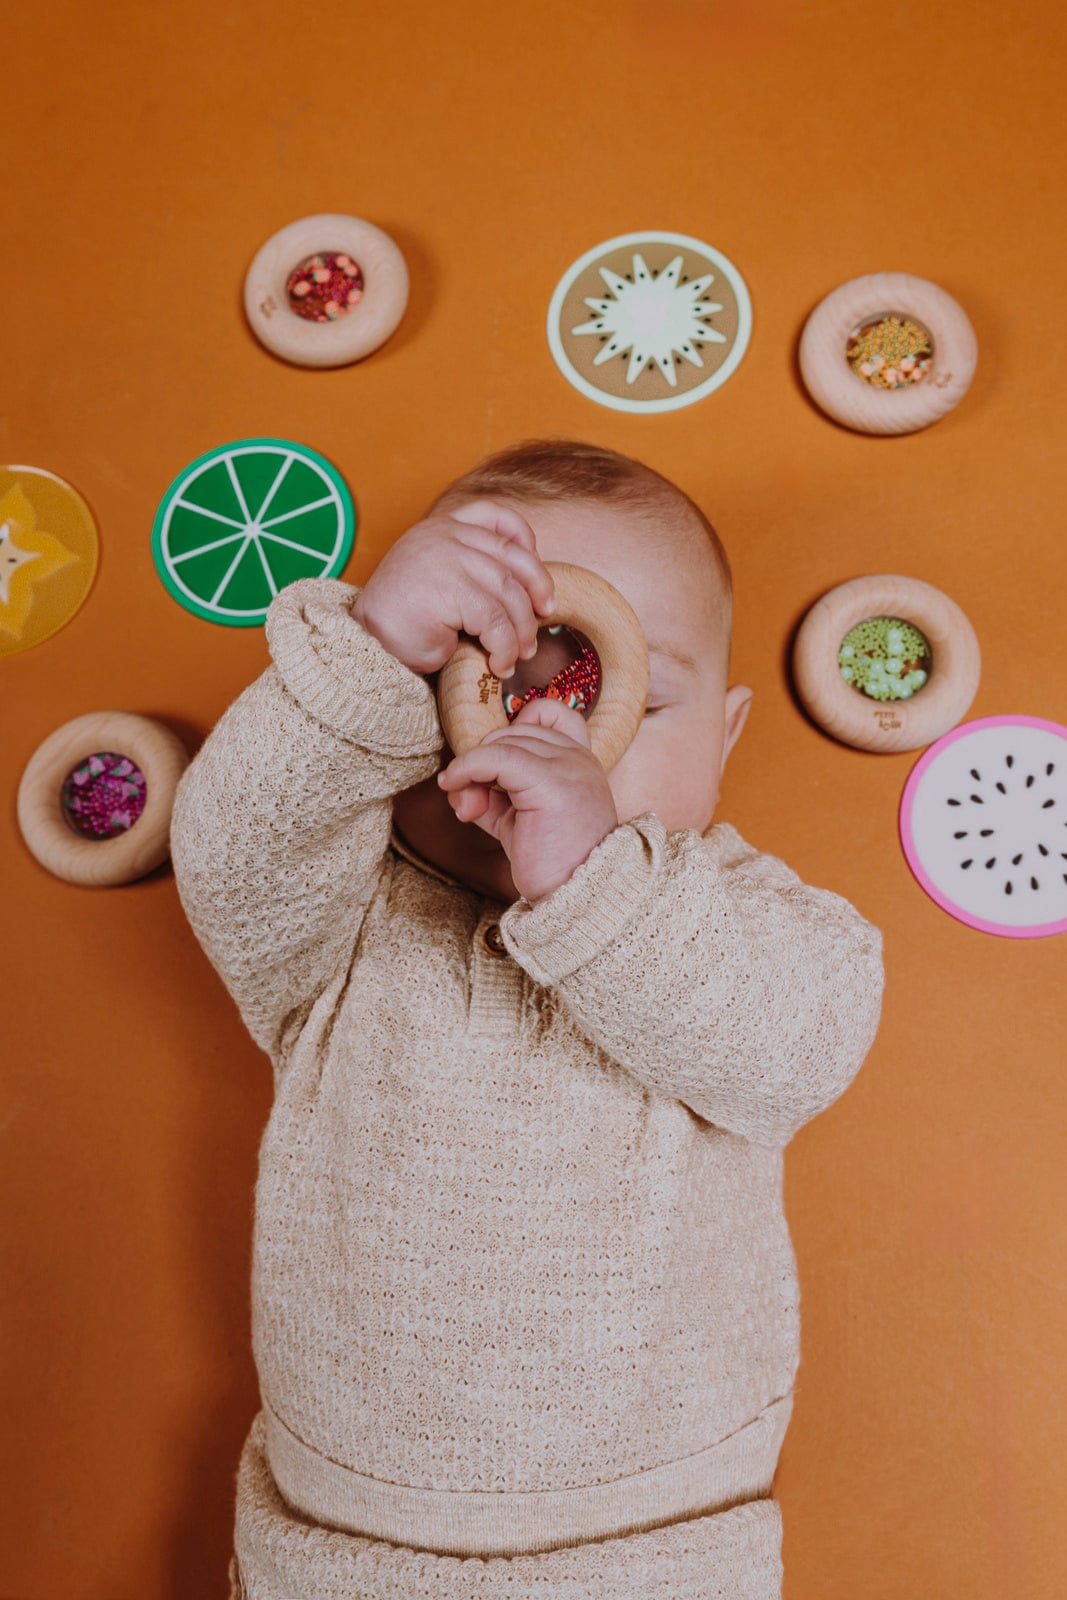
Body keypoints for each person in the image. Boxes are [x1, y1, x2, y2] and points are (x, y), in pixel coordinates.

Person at [169, 438, 885, 1600]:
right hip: (343, 1544)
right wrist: (364, 662)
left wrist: (601, 876)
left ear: (725, 737)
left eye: (628, 701)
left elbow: (799, 1044)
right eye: (482, 678)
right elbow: (235, 853)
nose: (540, 732)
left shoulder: (735, 917)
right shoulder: (341, 910)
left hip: (654, 1546)